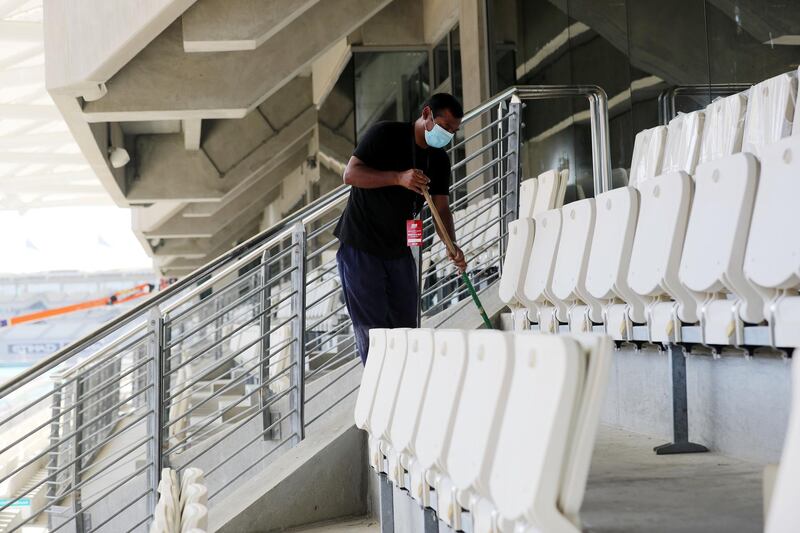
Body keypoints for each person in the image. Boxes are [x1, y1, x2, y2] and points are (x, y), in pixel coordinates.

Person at [334, 93, 466, 364]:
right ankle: (380, 397)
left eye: (453, 131)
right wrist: (398, 178)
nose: (448, 135)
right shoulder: (385, 134)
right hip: (361, 247)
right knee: (374, 335)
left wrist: (451, 245)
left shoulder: (439, 159)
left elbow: (441, 209)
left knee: (407, 332)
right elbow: (351, 174)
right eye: (445, 127)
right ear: (427, 114)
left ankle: (406, 393)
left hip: (399, 252)